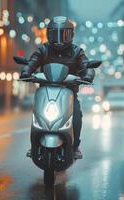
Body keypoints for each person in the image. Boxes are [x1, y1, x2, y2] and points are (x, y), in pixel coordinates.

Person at [20, 16, 95, 159]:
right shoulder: (43, 50)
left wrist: (88, 75)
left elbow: (86, 65)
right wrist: (26, 71)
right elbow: (32, 62)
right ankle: (34, 145)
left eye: (64, 34)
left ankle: (75, 146)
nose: (59, 39)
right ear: (48, 34)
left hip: (69, 92)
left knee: (77, 115)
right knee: (36, 114)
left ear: (71, 35)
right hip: (46, 91)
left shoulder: (77, 52)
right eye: (55, 34)